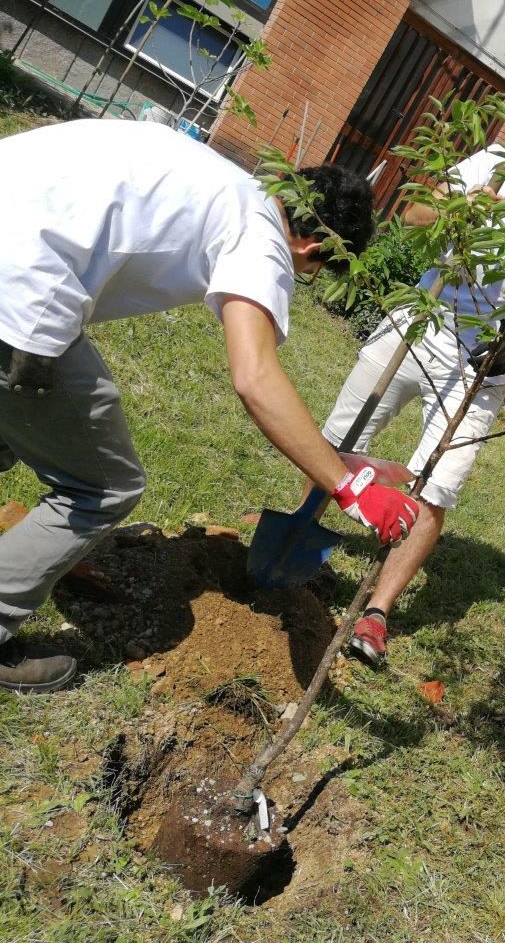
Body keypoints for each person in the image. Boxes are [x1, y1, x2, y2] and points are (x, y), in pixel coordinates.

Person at [0, 119, 417, 694]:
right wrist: (348, 486)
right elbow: (255, 375)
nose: (300, 278)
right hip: (16, 292)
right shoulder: (263, 238)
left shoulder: (216, 176)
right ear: (312, 245)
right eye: (312, 272)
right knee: (100, 487)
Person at [322, 142, 505, 667]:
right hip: (420, 323)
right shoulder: (497, 164)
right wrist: (460, 209)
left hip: (482, 365)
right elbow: (413, 215)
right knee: (340, 438)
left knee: (438, 485)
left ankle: (376, 613)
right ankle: (301, 531)